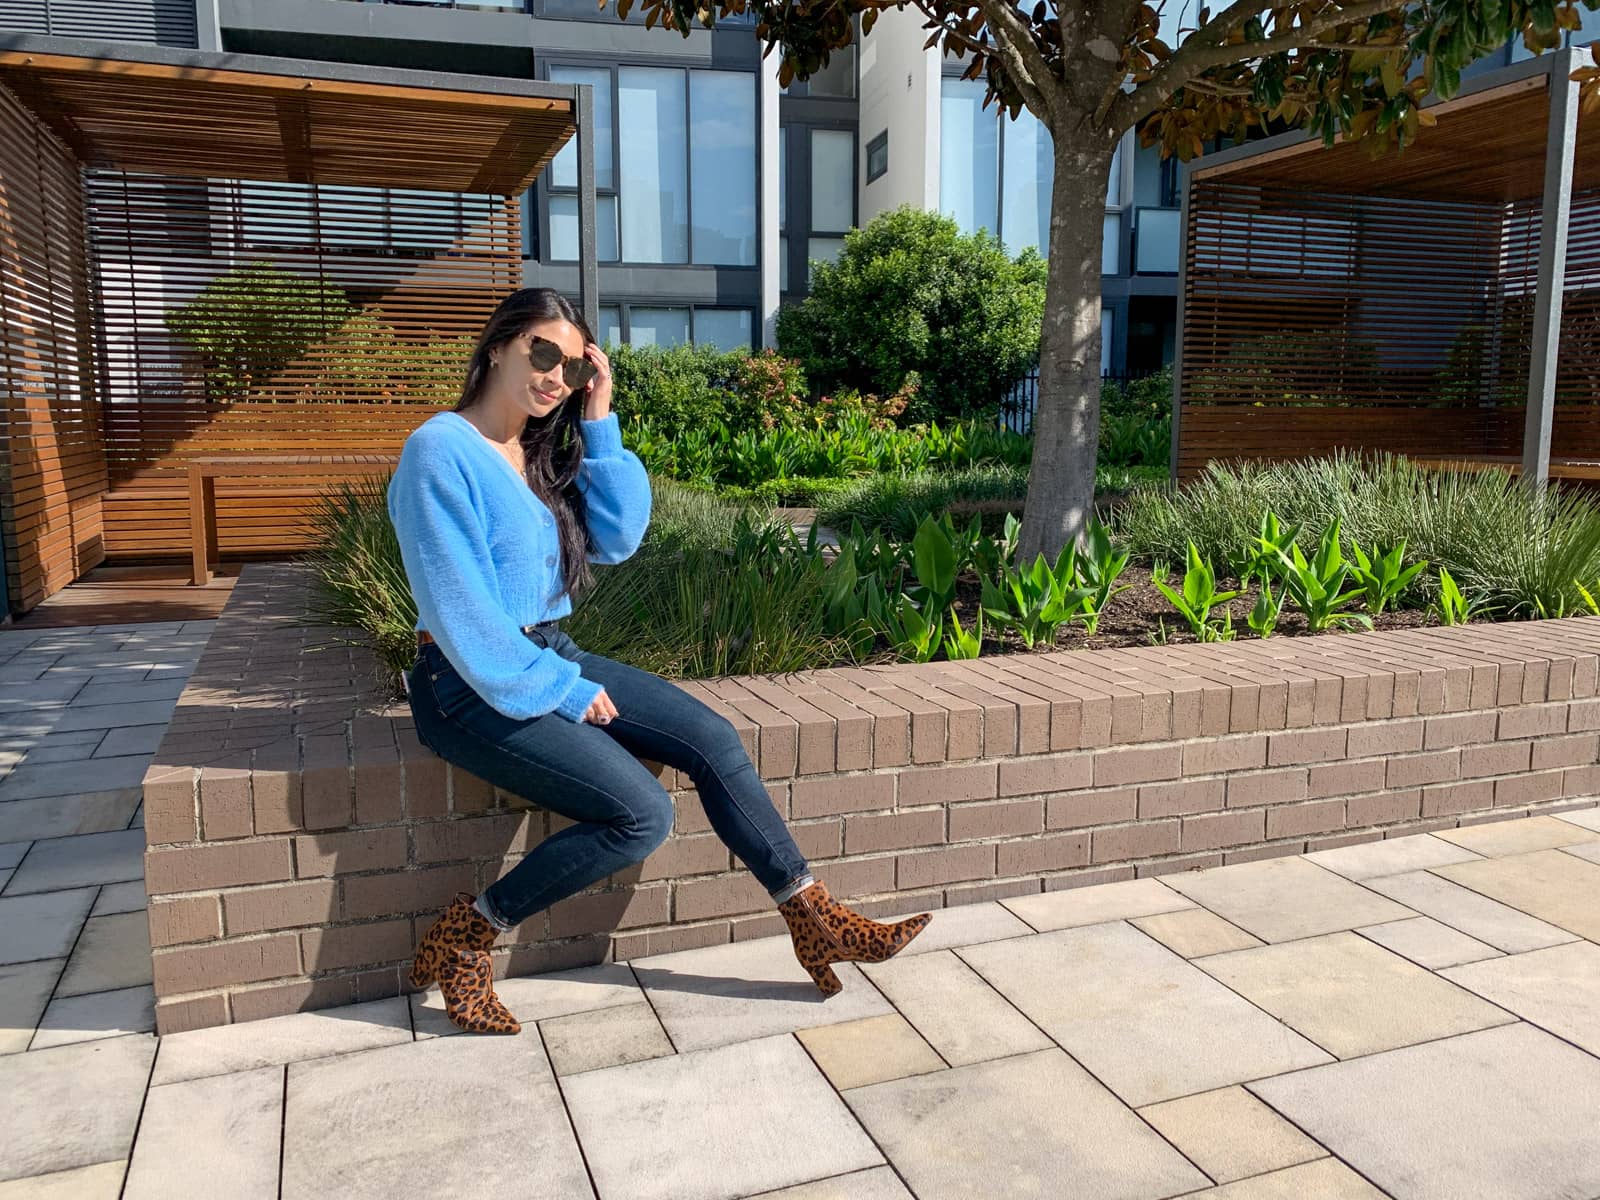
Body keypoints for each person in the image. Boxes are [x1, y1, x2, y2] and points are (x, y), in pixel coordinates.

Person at [387, 287, 930, 1034]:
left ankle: (812, 915)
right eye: (542, 353)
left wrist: (600, 420)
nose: (556, 377)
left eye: (575, 368)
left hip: (547, 647)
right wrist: (564, 692)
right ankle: (470, 934)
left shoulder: (535, 451)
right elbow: (462, 615)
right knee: (640, 815)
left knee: (713, 740)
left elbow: (616, 538)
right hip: (467, 682)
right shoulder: (439, 451)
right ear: (497, 346)